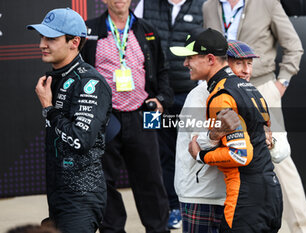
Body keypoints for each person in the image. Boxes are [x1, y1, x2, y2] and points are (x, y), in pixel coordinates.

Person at [202, 1, 306, 233]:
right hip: (223, 92)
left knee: (279, 159)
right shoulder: (208, 6)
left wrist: (279, 86)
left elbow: (294, 46)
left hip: (261, 89)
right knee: (228, 155)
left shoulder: (266, 2)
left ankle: (303, 229)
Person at [171, 28, 283, 233]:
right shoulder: (250, 90)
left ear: (211, 59)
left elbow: (241, 155)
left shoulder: (222, 95)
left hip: (242, 199)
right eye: (240, 62)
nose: (186, 63)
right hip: (268, 193)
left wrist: (202, 155)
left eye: (191, 58)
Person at [80, 0, 173, 232]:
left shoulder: (147, 29)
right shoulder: (89, 31)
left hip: (141, 114)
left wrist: (161, 99)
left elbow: (162, 70)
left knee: (151, 180)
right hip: (105, 118)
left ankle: (158, 229)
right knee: (104, 182)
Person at [27, 7, 112, 233]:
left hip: (81, 197)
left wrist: (48, 108)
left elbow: (81, 139)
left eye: (51, 38)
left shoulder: (89, 82)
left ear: (74, 42)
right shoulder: (53, 78)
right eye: (42, 37)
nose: (42, 44)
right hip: (59, 195)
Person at [134, 0, 206, 228]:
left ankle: (192, 205)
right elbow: (132, 34)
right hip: (154, 97)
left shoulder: (203, 5)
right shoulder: (146, 3)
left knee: (192, 148)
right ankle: (171, 207)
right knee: (157, 152)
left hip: (190, 94)